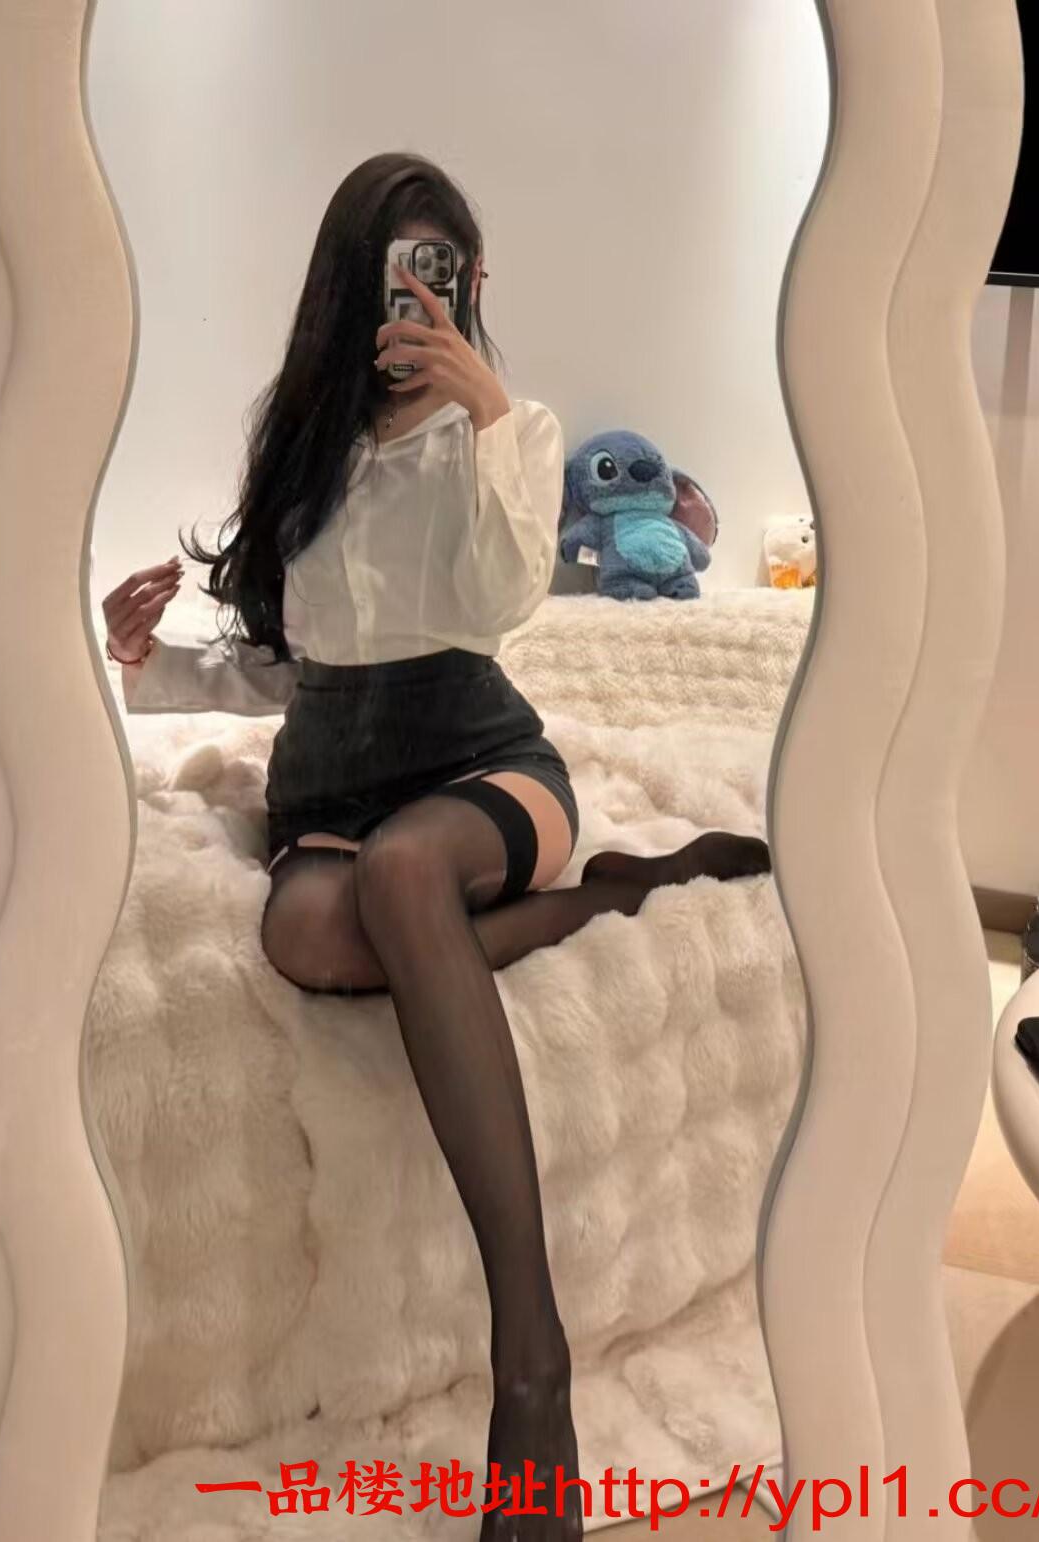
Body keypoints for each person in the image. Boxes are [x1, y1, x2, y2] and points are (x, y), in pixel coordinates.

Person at [101, 151, 770, 1540]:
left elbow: (499, 599)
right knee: (304, 932)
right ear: (348, 291)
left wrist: (485, 416)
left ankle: (533, 1363)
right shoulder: (304, 454)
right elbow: (291, 663)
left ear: (471, 289)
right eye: (394, 276)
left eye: (443, 278)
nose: (416, 305)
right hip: (331, 787)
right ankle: (613, 896)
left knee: (410, 872)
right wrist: (147, 658)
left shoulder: (507, 436)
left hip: (482, 765)